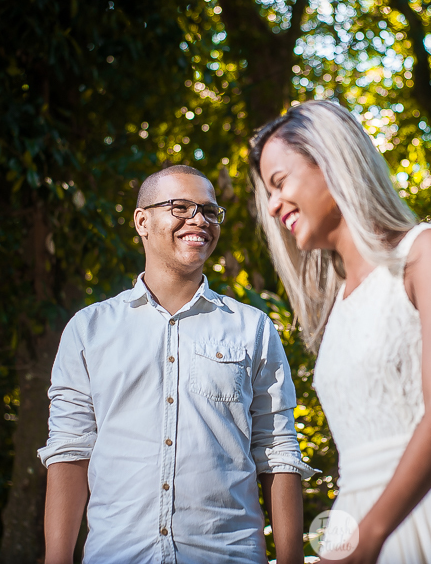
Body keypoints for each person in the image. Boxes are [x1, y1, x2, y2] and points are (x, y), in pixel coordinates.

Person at [249, 101, 431, 564]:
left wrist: (368, 537)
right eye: (268, 192)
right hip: (358, 531)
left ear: (330, 161)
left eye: (280, 183)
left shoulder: (428, 251)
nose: (274, 204)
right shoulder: (336, 308)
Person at [38, 164, 314, 564]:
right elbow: (70, 450)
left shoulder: (252, 328)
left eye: (209, 211)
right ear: (142, 221)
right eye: (181, 207)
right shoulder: (88, 329)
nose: (199, 220)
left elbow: (276, 448)